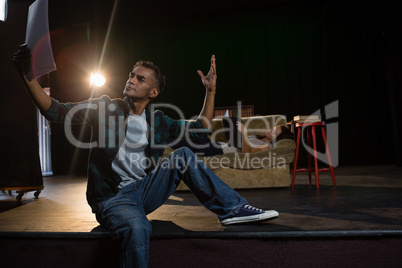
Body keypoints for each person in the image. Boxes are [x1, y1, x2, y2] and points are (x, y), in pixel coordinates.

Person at [13, 44, 279, 268]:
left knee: (183, 154)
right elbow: (54, 110)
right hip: (113, 199)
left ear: (153, 92)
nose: (131, 80)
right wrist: (27, 75)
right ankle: (128, 222)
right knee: (139, 228)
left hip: (143, 191)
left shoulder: (158, 120)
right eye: (132, 75)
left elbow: (200, 130)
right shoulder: (105, 107)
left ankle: (231, 209)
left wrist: (210, 91)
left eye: (140, 79)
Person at [168, 123, 294, 156]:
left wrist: (244, 133)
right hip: (218, 145)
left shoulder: (268, 147)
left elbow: (248, 152)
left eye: (275, 132)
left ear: (278, 138)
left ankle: (163, 138)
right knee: (192, 138)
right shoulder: (258, 137)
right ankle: (163, 137)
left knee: (192, 140)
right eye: (272, 128)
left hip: (219, 150)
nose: (270, 130)